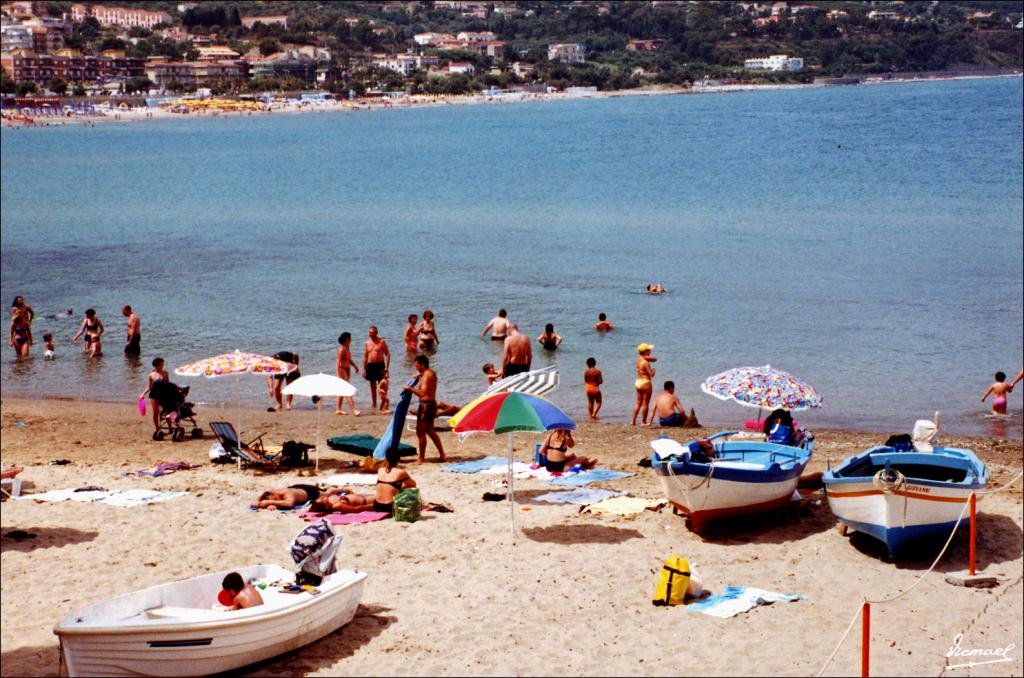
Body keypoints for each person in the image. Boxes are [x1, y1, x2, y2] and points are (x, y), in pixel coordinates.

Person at [404, 355, 446, 463]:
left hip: (426, 405)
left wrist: (409, 388)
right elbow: (426, 378)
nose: (416, 367)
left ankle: (421, 458)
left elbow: (422, 393)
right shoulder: (430, 373)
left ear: (422, 365)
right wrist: (419, 375)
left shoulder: (426, 376)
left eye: (417, 366)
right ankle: (442, 455)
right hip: (431, 404)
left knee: (420, 432)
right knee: (430, 430)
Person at [375, 444, 417, 514]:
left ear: (386, 458)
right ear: (398, 459)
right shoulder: (401, 472)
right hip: (389, 507)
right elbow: (413, 485)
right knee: (412, 489)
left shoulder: (380, 470)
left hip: (377, 505)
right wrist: (401, 489)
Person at [362, 326, 390, 412]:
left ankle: (384, 403)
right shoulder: (367, 343)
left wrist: (386, 368)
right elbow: (365, 356)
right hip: (370, 366)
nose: (371, 335)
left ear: (376, 333)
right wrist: (363, 369)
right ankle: (374, 404)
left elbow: (387, 354)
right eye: (370, 334)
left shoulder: (381, 342)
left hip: (380, 365)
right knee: (372, 387)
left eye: (373, 333)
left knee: (383, 385)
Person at [140, 357, 170, 433]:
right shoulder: (151, 375)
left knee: (167, 412)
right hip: (154, 395)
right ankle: (157, 428)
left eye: (163, 365)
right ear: (156, 366)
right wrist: (143, 394)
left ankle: (170, 427)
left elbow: (168, 384)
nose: (162, 366)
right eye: (160, 365)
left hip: (164, 395)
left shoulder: (165, 373)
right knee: (155, 412)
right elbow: (150, 387)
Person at [631, 344, 657, 425]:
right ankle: (643, 422)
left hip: (638, 382)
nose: (650, 351)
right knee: (645, 403)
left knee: (638, 403)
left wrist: (652, 359)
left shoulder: (638, 359)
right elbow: (651, 374)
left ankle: (633, 421)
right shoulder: (646, 363)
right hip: (645, 382)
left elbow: (648, 358)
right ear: (645, 351)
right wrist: (653, 371)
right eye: (649, 350)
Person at [335, 333, 360, 415]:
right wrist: (338, 372)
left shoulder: (347, 348)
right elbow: (338, 361)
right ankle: (354, 410)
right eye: (350, 338)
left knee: (342, 390)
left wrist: (355, 366)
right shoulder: (341, 349)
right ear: (346, 339)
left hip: (347, 369)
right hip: (342, 369)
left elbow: (348, 359)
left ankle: (338, 409)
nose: (351, 340)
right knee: (347, 389)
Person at [252, 484, 324, 510]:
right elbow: (254, 503)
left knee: (326, 493)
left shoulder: (288, 494)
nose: (277, 501)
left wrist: (269, 502)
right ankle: (316, 485)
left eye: (275, 499)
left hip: (309, 492)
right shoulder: (273, 492)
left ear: (274, 495)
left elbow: (289, 504)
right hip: (295, 487)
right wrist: (259, 502)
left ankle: (332, 489)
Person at [309, 487, 376, 513]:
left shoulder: (330, 499)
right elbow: (355, 509)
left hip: (360, 496)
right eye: (322, 499)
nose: (322, 497)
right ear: (326, 506)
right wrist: (372, 506)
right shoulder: (337, 506)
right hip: (366, 501)